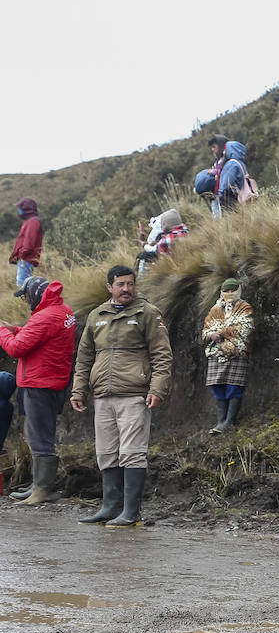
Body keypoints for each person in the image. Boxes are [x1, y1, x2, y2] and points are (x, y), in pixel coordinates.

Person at [70, 265, 173, 528]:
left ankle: (131, 512)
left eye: (130, 284)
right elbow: (83, 358)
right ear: (109, 287)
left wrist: (156, 389)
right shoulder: (96, 316)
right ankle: (109, 507)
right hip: (103, 394)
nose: (126, 289)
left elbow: (162, 355)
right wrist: (78, 390)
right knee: (106, 453)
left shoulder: (147, 313)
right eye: (120, 284)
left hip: (134, 395)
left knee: (132, 453)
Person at [0, 276, 76, 506]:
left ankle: (43, 489)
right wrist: (14, 328)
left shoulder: (45, 316)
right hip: (50, 381)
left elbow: (15, 347)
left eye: (25, 296)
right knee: (40, 434)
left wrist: (2, 331)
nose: (25, 301)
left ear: (35, 293)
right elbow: (39, 334)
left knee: (39, 437)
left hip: (39, 383)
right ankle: (37, 485)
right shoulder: (62, 311)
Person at [202, 278, 253, 435]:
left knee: (234, 386)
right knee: (217, 386)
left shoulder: (244, 308)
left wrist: (222, 333)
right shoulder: (214, 310)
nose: (229, 294)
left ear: (238, 290)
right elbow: (206, 330)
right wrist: (212, 335)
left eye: (233, 290)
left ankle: (229, 421)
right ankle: (221, 420)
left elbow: (245, 328)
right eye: (227, 291)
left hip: (236, 353)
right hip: (216, 354)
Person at [137, 209, 189, 276]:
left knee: (144, 255)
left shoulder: (168, 240)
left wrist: (143, 244)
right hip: (184, 259)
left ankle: (141, 278)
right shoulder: (184, 230)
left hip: (174, 267)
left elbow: (154, 249)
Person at [10, 198, 42, 287]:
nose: (18, 210)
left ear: (26, 208)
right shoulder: (28, 221)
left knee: (23, 285)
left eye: (20, 207)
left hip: (26, 258)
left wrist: (21, 255)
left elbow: (29, 242)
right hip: (24, 258)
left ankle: (27, 301)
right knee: (23, 284)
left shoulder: (33, 221)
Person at [197, 135, 230, 218]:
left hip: (223, 191)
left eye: (214, 147)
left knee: (222, 212)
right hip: (216, 191)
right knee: (217, 212)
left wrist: (212, 172)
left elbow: (223, 171)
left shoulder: (225, 159)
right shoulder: (218, 160)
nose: (213, 149)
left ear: (221, 146)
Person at [218, 140, 250, 211]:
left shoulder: (231, 164)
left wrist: (220, 194)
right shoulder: (240, 163)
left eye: (225, 149)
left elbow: (226, 184)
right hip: (241, 198)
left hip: (231, 199)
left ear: (231, 150)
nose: (224, 152)